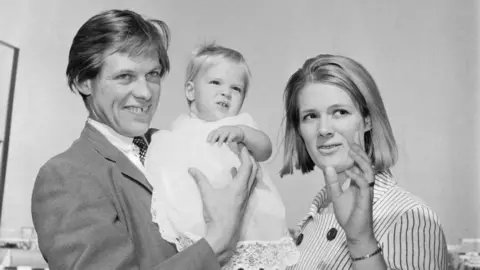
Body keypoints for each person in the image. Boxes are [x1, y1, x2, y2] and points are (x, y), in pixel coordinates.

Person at [31, 9, 258, 270]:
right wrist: (216, 244)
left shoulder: (180, 144)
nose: (145, 92)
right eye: (124, 77)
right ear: (84, 81)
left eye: (153, 75)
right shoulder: (65, 175)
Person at [280, 54, 449, 269]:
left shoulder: (409, 216)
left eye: (340, 112)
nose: (323, 129)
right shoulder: (315, 214)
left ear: (367, 120)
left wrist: (361, 242)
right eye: (310, 116)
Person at [145, 43, 299, 270]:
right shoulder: (177, 133)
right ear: (190, 91)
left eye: (236, 88)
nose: (226, 92)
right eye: (215, 82)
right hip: (202, 225)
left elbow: (265, 149)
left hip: (248, 221)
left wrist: (242, 134)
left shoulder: (239, 125)